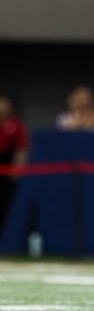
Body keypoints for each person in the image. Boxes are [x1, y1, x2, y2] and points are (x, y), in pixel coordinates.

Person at [0, 96, 28, 234]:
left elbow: (21, 150)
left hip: (7, 171)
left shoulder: (15, 125)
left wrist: (16, 170)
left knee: (5, 207)